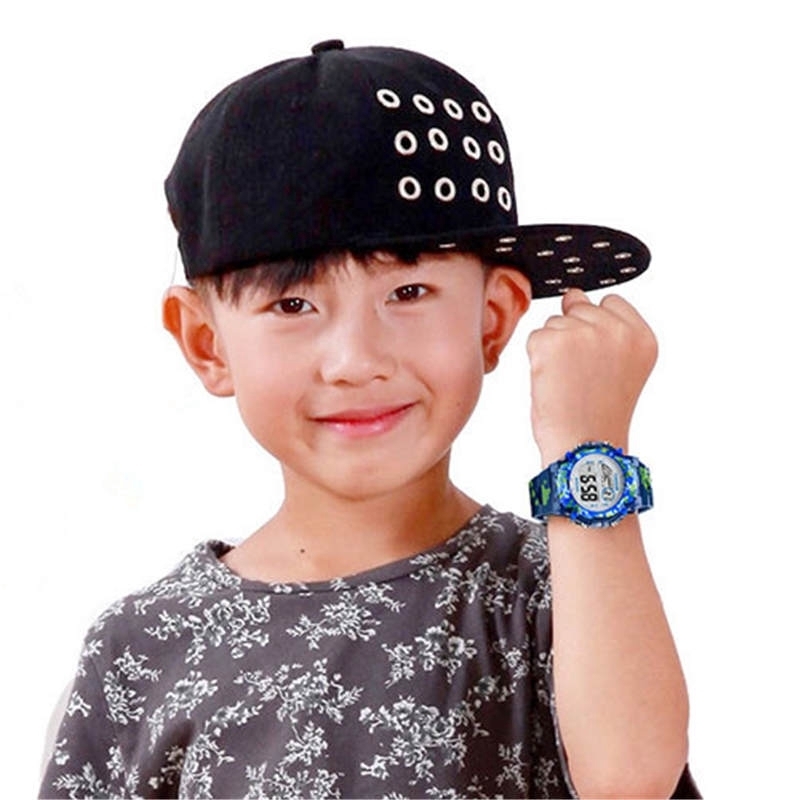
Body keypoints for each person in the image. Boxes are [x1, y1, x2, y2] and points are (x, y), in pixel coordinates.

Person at [39, 40, 700, 799]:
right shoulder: (143, 649)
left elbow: (630, 780)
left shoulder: (566, 589)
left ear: (492, 318)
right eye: (293, 304)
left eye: (408, 294)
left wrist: (587, 449)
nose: (355, 361)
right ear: (205, 342)